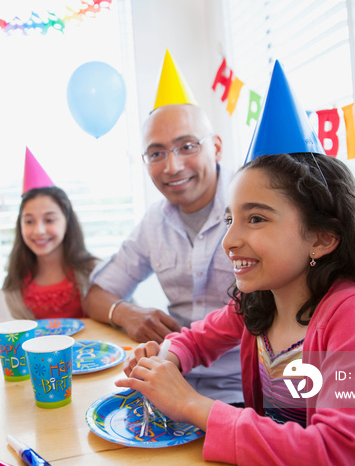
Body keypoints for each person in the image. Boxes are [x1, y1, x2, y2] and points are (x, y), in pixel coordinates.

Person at [115, 61, 355, 465]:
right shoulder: (259, 301)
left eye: (256, 218)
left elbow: (345, 454)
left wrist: (191, 405)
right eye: (230, 219)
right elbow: (195, 338)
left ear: (323, 237)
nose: (230, 240)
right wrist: (164, 361)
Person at [82, 50, 243, 405]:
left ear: (215, 147)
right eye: (156, 153)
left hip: (256, 395)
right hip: (174, 384)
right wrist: (125, 313)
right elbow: (95, 295)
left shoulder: (252, 209)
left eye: (187, 146)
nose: (172, 166)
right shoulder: (154, 222)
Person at [3, 148, 98, 319]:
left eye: (49, 220)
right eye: (29, 221)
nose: (39, 231)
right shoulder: (15, 282)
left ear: (67, 222)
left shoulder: (94, 271)